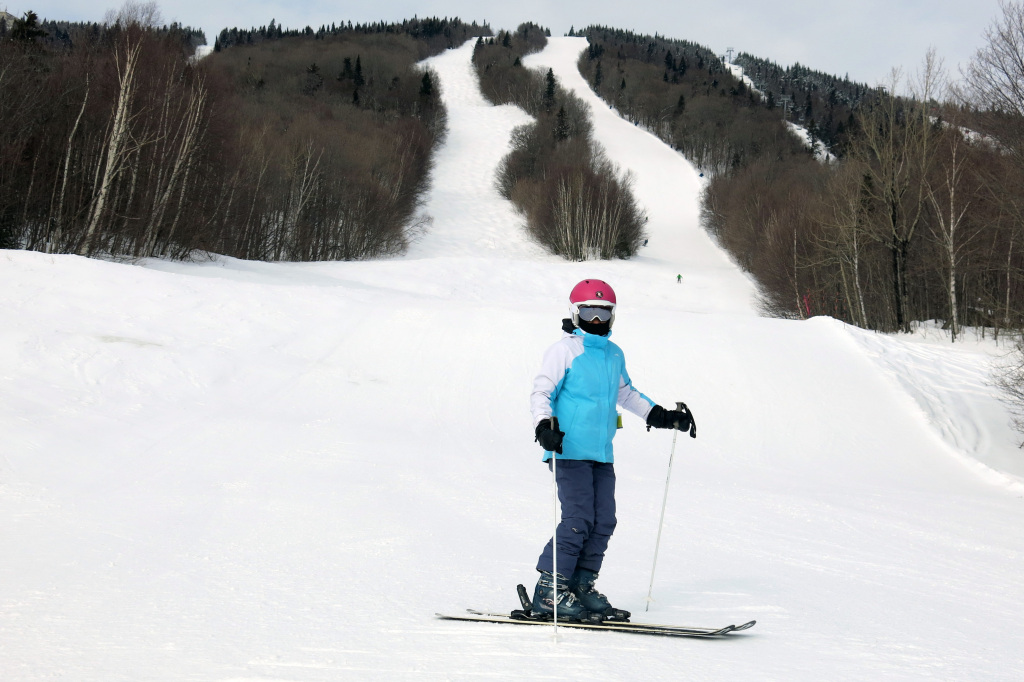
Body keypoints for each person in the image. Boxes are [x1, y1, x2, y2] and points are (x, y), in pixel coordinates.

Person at [529, 279, 696, 622]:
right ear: (575, 313)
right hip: (568, 450)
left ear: (612, 316)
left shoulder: (613, 353)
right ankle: (549, 590)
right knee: (578, 521)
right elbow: (541, 392)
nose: (595, 320)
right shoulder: (564, 351)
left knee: (604, 521)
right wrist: (543, 427)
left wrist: (663, 417)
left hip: (601, 454)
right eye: (588, 312)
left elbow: (627, 394)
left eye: (602, 313)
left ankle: (580, 585)